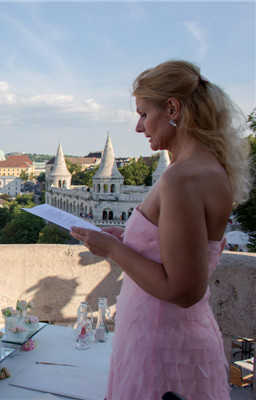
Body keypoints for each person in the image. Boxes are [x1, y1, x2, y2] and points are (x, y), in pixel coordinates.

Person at [71, 60, 251, 400]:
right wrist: (128, 237)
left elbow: (184, 290)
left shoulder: (180, 178)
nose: (139, 127)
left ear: (172, 108)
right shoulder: (204, 168)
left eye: (143, 114)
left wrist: (113, 250)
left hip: (160, 345)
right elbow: (180, 247)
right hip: (166, 340)